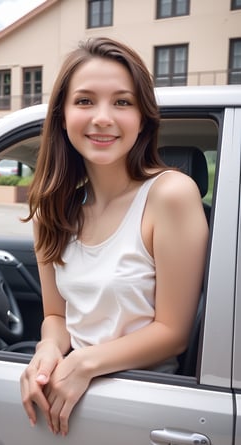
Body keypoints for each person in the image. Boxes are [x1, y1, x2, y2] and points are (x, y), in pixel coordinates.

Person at [20, 36, 208, 436]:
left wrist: (84, 364)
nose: (102, 118)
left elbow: (172, 333)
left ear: (143, 118)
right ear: (63, 114)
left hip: (143, 406)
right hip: (69, 397)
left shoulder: (169, 195)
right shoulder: (52, 209)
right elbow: (57, 316)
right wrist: (47, 351)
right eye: (85, 101)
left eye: (122, 102)